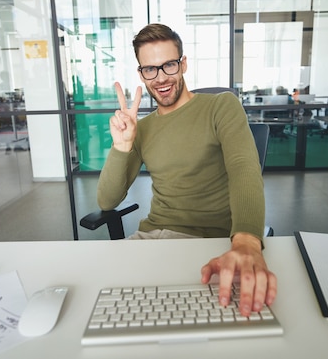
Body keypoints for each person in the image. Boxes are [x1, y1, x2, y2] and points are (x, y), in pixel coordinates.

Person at [97, 23, 277, 317]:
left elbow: (244, 169)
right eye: (150, 69)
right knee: (105, 304)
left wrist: (246, 241)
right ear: (141, 73)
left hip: (209, 242)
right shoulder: (141, 128)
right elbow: (106, 201)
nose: (161, 78)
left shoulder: (221, 106)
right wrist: (122, 145)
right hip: (151, 239)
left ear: (183, 64)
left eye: (168, 65)